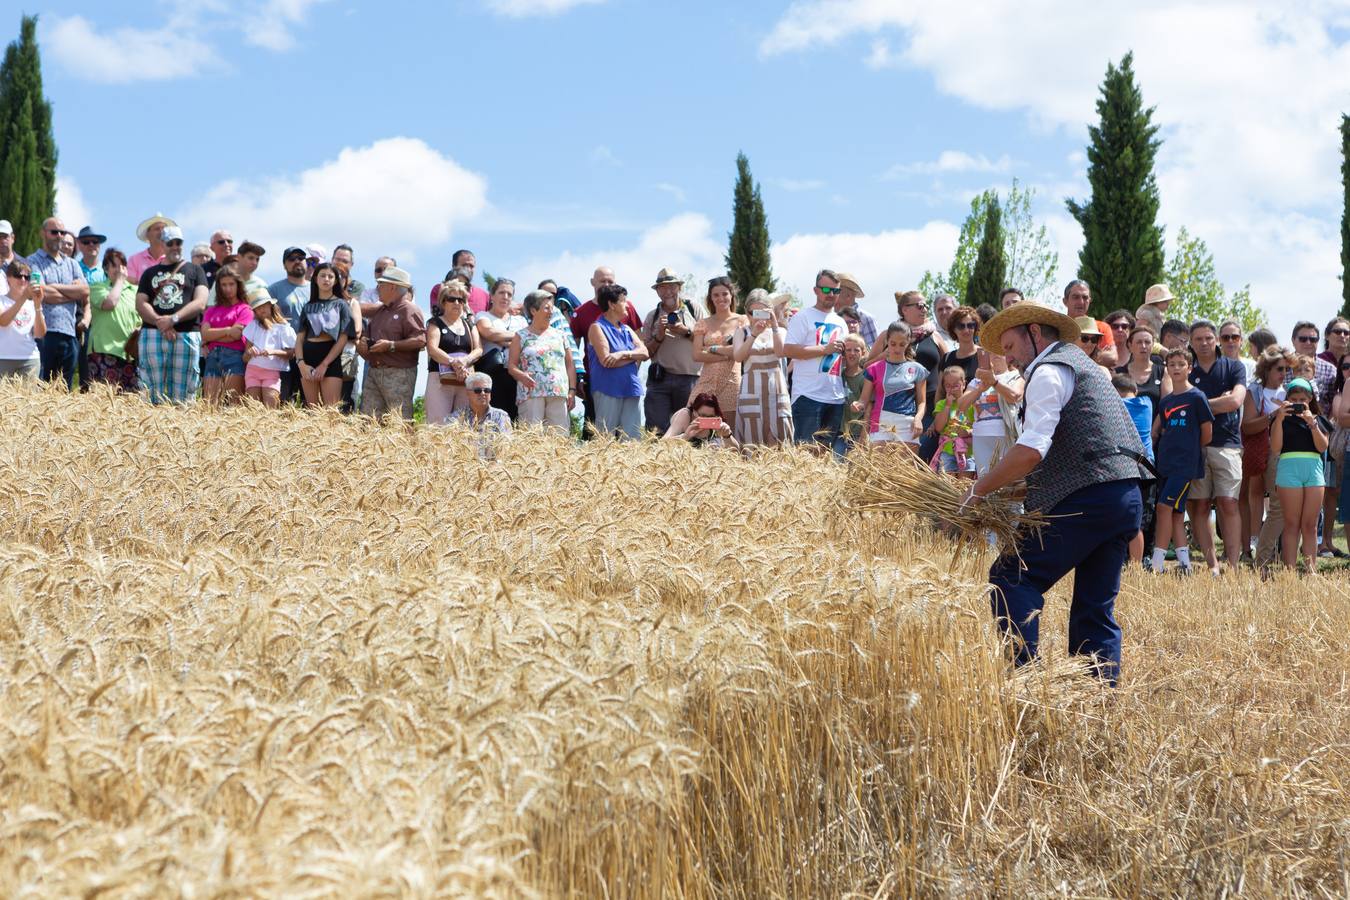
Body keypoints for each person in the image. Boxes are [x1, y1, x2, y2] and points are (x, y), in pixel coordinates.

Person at [966, 303, 1143, 685]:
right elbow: (1074, 449)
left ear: (1034, 332)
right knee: (1094, 610)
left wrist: (979, 490)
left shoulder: (1048, 371)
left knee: (1010, 577)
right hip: (1123, 497)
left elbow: (1031, 450)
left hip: (1091, 498)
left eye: (1010, 345)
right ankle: (1095, 704)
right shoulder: (1080, 367)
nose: (1008, 357)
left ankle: (1024, 684)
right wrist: (1010, 490)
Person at [1187, 319, 1247, 573]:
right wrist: (1216, 403)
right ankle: (1212, 565)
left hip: (1228, 445)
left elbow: (1235, 401)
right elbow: (1178, 404)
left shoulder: (1234, 366)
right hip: (1195, 446)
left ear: (1216, 340)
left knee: (1228, 502)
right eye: (1198, 339)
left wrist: (1197, 405)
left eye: (1209, 338)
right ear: (1191, 342)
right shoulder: (1186, 369)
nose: (1204, 343)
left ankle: (1232, 564)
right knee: (1199, 505)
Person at [1151, 347, 1213, 575]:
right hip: (1166, 464)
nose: (1176, 368)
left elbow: (1207, 433)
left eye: (1181, 364)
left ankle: (1156, 563)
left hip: (1184, 466)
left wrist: (1190, 453)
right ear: (1167, 369)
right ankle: (1185, 565)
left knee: (1163, 507)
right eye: (1172, 364)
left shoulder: (1197, 397)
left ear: (1189, 368)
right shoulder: (1166, 402)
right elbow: (1163, 430)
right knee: (1176, 514)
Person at [135, 225, 208, 405]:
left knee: (185, 391)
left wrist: (173, 319)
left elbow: (200, 302)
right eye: (170, 243)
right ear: (163, 244)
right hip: (153, 333)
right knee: (150, 389)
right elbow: (140, 303)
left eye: (178, 242)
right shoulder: (149, 273)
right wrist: (161, 322)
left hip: (186, 333)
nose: (175, 246)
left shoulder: (195, 270)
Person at [1271, 377, 1331, 569]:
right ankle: (1289, 569)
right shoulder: (1279, 419)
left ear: (1310, 399)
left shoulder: (1318, 420)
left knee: (1310, 525)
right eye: (1294, 399)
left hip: (1313, 471)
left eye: (1302, 400)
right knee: (1291, 524)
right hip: (1288, 469)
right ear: (1287, 399)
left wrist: (1311, 423)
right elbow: (1275, 448)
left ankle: (1310, 569)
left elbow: (1322, 447)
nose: (1298, 404)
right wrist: (1279, 418)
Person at [880, 291, 948, 460]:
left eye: (925, 305)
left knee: (924, 454)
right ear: (904, 309)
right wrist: (888, 353)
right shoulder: (889, 334)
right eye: (919, 306)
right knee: (898, 458)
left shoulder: (934, 334)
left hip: (931, 404)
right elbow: (867, 365)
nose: (924, 309)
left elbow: (949, 365)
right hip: (898, 407)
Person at [786, 270, 848, 450]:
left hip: (835, 396)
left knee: (826, 456)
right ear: (815, 290)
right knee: (805, 455)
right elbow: (788, 349)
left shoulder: (841, 322)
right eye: (826, 289)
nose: (831, 295)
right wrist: (824, 349)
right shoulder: (803, 317)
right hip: (808, 395)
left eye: (836, 291)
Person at [1241, 346, 1291, 561]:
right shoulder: (1254, 391)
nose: (1284, 374)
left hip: (1286, 454)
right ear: (1267, 369)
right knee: (1267, 503)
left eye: (1287, 369)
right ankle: (1259, 554)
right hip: (1262, 451)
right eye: (1280, 369)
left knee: (1279, 506)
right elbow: (1247, 427)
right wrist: (1274, 416)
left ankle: (1264, 553)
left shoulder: (1291, 390)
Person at [27, 216, 89, 388]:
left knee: (65, 392)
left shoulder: (73, 264)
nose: (59, 236)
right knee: (41, 388)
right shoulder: (33, 260)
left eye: (62, 232)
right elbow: (40, 292)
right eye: (54, 232)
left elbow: (84, 291)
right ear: (43, 233)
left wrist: (54, 288)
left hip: (70, 334)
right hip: (44, 334)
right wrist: (71, 292)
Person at [640, 268, 703, 434]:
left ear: (679, 288)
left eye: (672, 287)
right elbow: (646, 353)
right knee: (656, 431)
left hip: (690, 379)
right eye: (663, 288)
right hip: (660, 380)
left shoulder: (694, 309)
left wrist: (686, 331)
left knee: (691, 429)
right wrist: (659, 335)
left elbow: (708, 341)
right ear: (657, 291)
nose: (668, 292)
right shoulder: (652, 316)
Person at [359, 265, 425, 422]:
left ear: (393, 287)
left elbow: (421, 340)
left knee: (400, 423)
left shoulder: (409, 310)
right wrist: (361, 344)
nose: (378, 287)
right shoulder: (381, 311)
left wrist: (391, 345)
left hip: (399, 374)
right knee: (369, 422)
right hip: (374, 372)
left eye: (381, 284)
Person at [508, 289, 576, 433]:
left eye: (552, 308)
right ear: (533, 310)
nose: (551, 312)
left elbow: (569, 364)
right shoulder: (520, 336)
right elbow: (511, 366)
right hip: (531, 393)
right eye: (546, 308)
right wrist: (521, 375)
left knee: (559, 440)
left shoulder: (561, 335)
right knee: (532, 439)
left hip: (558, 393)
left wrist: (572, 390)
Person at [586, 283, 648, 439]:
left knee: (633, 440)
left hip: (631, 388)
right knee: (604, 439)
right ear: (611, 304)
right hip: (608, 388)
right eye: (623, 300)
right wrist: (633, 356)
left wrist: (621, 355)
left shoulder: (627, 329)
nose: (627, 304)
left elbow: (645, 353)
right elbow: (606, 361)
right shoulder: (597, 328)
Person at [732, 288, 792, 447]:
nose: (756, 317)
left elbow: (780, 352)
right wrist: (753, 335)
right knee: (752, 439)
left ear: (770, 311)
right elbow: (738, 357)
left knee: (780, 438)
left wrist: (773, 325)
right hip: (752, 390)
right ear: (746, 312)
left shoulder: (781, 331)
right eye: (752, 313)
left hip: (776, 389)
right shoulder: (741, 332)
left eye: (762, 312)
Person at [858, 321, 928, 451]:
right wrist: (858, 405)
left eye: (902, 345)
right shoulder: (873, 369)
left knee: (906, 469)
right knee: (880, 468)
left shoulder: (918, 369)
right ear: (887, 341)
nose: (897, 349)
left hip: (908, 423)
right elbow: (864, 399)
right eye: (893, 344)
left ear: (908, 343)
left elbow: (922, 401)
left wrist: (918, 419)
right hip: (881, 421)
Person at [690, 276, 747, 431]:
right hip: (706, 383)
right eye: (716, 295)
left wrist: (711, 349)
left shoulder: (742, 321)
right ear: (710, 298)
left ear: (731, 295)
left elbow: (741, 351)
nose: (721, 298)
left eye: (724, 294)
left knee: (728, 430)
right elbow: (696, 355)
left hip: (731, 384)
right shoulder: (702, 323)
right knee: (700, 429)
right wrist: (726, 354)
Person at [295, 262, 355, 408]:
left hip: (331, 359)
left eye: (330, 276)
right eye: (322, 275)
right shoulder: (308, 306)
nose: (326, 279)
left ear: (335, 281)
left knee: (330, 413)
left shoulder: (342, 305)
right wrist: (301, 364)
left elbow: (343, 337)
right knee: (312, 410)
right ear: (315, 279)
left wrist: (324, 364)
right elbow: (299, 339)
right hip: (307, 359)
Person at [956, 348, 1024, 477]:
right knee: (985, 477)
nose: (995, 354)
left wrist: (994, 382)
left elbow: (1015, 396)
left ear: (1008, 356)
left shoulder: (1017, 376)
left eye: (999, 350)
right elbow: (961, 405)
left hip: (1008, 434)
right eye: (991, 351)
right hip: (981, 436)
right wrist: (980, 389)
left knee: (1010, 478)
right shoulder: (976, 381)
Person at [424, 279, 482, 425]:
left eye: (460, 300)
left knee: (462, 426)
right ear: (443, 302)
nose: (457, 303)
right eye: (452, 299)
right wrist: (453, 362)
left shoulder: (469, 324)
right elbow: (432, 349)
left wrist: (465, 361)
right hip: (439, 380)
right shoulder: (435, 323)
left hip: (465, 380)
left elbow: (478, 349)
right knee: (438, 425)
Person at [85, 248, 141, 392]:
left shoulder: (135, 290)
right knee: (102, 402)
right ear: (106, 269)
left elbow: (141, 317)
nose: (119, 269)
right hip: (103, 352)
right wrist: (121, 281)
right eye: (114, 265)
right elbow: (110, 303)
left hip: (129, 354)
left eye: (121, 265)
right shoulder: (97, 287)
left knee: (130, 403)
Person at [1114, 372, 1155, 564]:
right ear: (1135, 390)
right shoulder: (1147, 403)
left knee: (1125, 520)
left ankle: (1125, 562)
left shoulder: (1115, 407)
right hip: (1148, 470)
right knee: (1137, 521)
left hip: (1125, 469)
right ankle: (1136, 566)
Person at [199, 264, 254, 406]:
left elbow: (237, 335)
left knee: (235, 404)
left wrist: (215, 334)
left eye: (231, 284)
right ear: (218, 287)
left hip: (235, 356)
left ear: (238, 285)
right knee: (210, 405)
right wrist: (228, 330)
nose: (227, 289)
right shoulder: (211, 310)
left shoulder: (245, 309)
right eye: (223, 285)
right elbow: (204, 335)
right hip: (212, 358)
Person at [475, 278, 527, 421]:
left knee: (516, 419)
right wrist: (517, 338)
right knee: (493, 420)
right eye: (501, 292)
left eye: (509, 294)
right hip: (493, 375)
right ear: (492, 296)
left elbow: (527, 342)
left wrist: (503, 339)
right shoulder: (482, 316)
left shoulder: (520, 321)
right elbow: (490, 333)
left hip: (517, 376)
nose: (505, 297)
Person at [269, 247, 311, 404]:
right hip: (283, 355)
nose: (297, 261)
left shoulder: (317, 288)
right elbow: (267, 321)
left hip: (309, 354)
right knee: (284, 403)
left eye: (300, 258)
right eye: (291, 259)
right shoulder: (273, 290)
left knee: (311, 405)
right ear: (284, 265)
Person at [241, 289, 295, 409]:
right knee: (253, 410)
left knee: (270, 410)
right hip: (252, 370)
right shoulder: (253, 326)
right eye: (257, 307)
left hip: (272, 372)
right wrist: (250, 352)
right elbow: (245, 358)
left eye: (264, 305)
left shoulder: (283, 328)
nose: (261, 309)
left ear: (271, 305)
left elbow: (291, 353)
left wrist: (273, 352)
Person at [331, 244, 366, 414]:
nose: (336, 280)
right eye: (332, 276)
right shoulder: (316, 304)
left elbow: (356, 332)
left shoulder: (352, 302)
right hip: (321, 360)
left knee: (346, 405)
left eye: (341, 277)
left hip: (345, 360)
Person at [0, 259, 46, 380]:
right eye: (18, 275)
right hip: (3, 358)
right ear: (8, 278)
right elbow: (3, 321)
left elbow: (40, 334)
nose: (23, 280)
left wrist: (37, 305)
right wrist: (24, 297)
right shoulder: (1, 300)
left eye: (27, 277)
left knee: (26, 399)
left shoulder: (32, 304)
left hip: (29, 359)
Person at [452, 371, 513, 459]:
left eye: (487, 390)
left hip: (495, 467)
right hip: (465, 467)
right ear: (468, 393)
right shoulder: (456, 418)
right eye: (478, 390)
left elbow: (506, 446)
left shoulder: (501, 416)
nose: (483, 393)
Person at [931, 366, 975, 477]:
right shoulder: (941, 404)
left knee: (965, 484)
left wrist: (969, 432)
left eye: (956, 385)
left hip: (967, 452)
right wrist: (947, 406)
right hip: (947, 451)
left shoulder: (972, 404)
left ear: (964, 384)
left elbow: (977, 426)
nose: (952, 389)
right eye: (948, 386)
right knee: (947, 483)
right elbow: (939, 427)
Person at [1062, 280, 1117, 368]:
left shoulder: (1102, 327)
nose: (1081, 302)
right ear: (1065, 301)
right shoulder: (1057, 326)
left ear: (1090, 301)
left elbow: (1111, 358)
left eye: (1085, 297)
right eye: (1075, 297)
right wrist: (1097, 354)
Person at [1115, 325, 1167, 412]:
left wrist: (1153, 426)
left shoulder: (1163, 372)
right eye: (1139, 342)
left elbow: (1166, 405)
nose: (1143, 346)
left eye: (1147, 342)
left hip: (1156, 424)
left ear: (1153, 345)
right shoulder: (1118, 373)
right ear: (1130, 345)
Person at [663, 392, 739, 449]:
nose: (706, 419)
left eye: (710, 417)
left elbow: (736, 452)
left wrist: (727, 436)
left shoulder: (716, 424)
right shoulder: (685, 415)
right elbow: (663, 443)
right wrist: (685, 436)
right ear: (694, 412)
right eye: (702, 415)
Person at [430, 249, 491, 315]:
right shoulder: (439, 289)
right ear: (454, 267)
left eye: (471, 266)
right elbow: (437, 316)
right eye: (464, 265)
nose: (468, 269)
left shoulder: (485, 296)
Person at [838, 333, 869, 454]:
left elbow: (869, 408)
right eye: (848, 350)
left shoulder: (865, 377)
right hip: (840, 432)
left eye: (856, 350)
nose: (852, 353)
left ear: (863, 352)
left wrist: (863, 435)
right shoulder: (838, 375)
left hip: (857, 432)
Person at [128, 213, 175, 283]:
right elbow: (130, 286)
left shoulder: (174, 259)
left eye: (164, 229)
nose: (161, 231)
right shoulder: (134, 260)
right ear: (148, 235)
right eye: (157, 229)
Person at [940, 306, 980, 383]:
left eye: (970, 325)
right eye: (961, 326)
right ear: (954, 329)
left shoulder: (984, 355)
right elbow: (940, 391)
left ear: (975, 328)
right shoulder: (947, 358)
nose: (966, 330)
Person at [835, 273, 877, 345]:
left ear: (848, 296)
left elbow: (872, 350)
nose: (831, 295)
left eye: (836, 292)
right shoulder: (831, 317)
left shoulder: (865, 318)